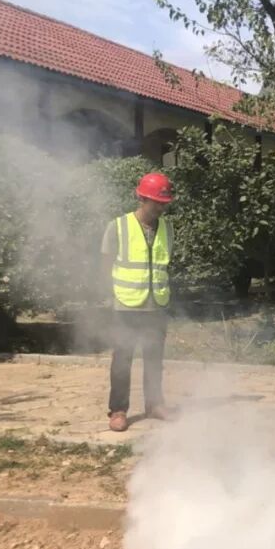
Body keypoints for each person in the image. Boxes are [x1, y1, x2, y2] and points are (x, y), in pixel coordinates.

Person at [101, 172, 175, 432]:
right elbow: (105, 264)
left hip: (157, 305)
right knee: (123, 359)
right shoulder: (118, 227)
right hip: (126, 305)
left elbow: (163, 265)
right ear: (142, 198)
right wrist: (108, 296)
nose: (161, 208)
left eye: (164, 203)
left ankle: (154, 404)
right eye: (157, 202)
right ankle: (118, 410)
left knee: (154, 358)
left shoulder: (167, 228)